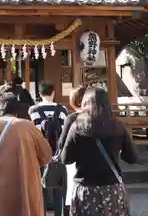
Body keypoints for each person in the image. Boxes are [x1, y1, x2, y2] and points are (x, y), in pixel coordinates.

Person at [0, 92, 52, 216]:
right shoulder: (29, 127)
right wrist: (29, 161)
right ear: (17, 109)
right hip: (26, 191)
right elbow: (46, 156)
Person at [61, 87, 138, 216]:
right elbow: (132, 157)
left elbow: (66, 159)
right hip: (111, 189)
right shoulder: (118, 126)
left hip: (85, 190)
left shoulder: (77, 127)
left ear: (85, 102)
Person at [28, 82, 68, 216]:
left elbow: (33, 133)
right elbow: (64, 131)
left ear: (39, 94)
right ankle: (60, 213)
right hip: (58, 153)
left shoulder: (33, 110)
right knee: (60, 187)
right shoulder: (62, 110)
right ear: (54, 92)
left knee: (41, 187)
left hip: (39, 154)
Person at [57, 86, 88, 216]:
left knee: (73, 194)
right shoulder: (101, 118)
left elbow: (61, 144)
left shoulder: (72, 118)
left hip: (75, 163)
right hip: (99, 166)